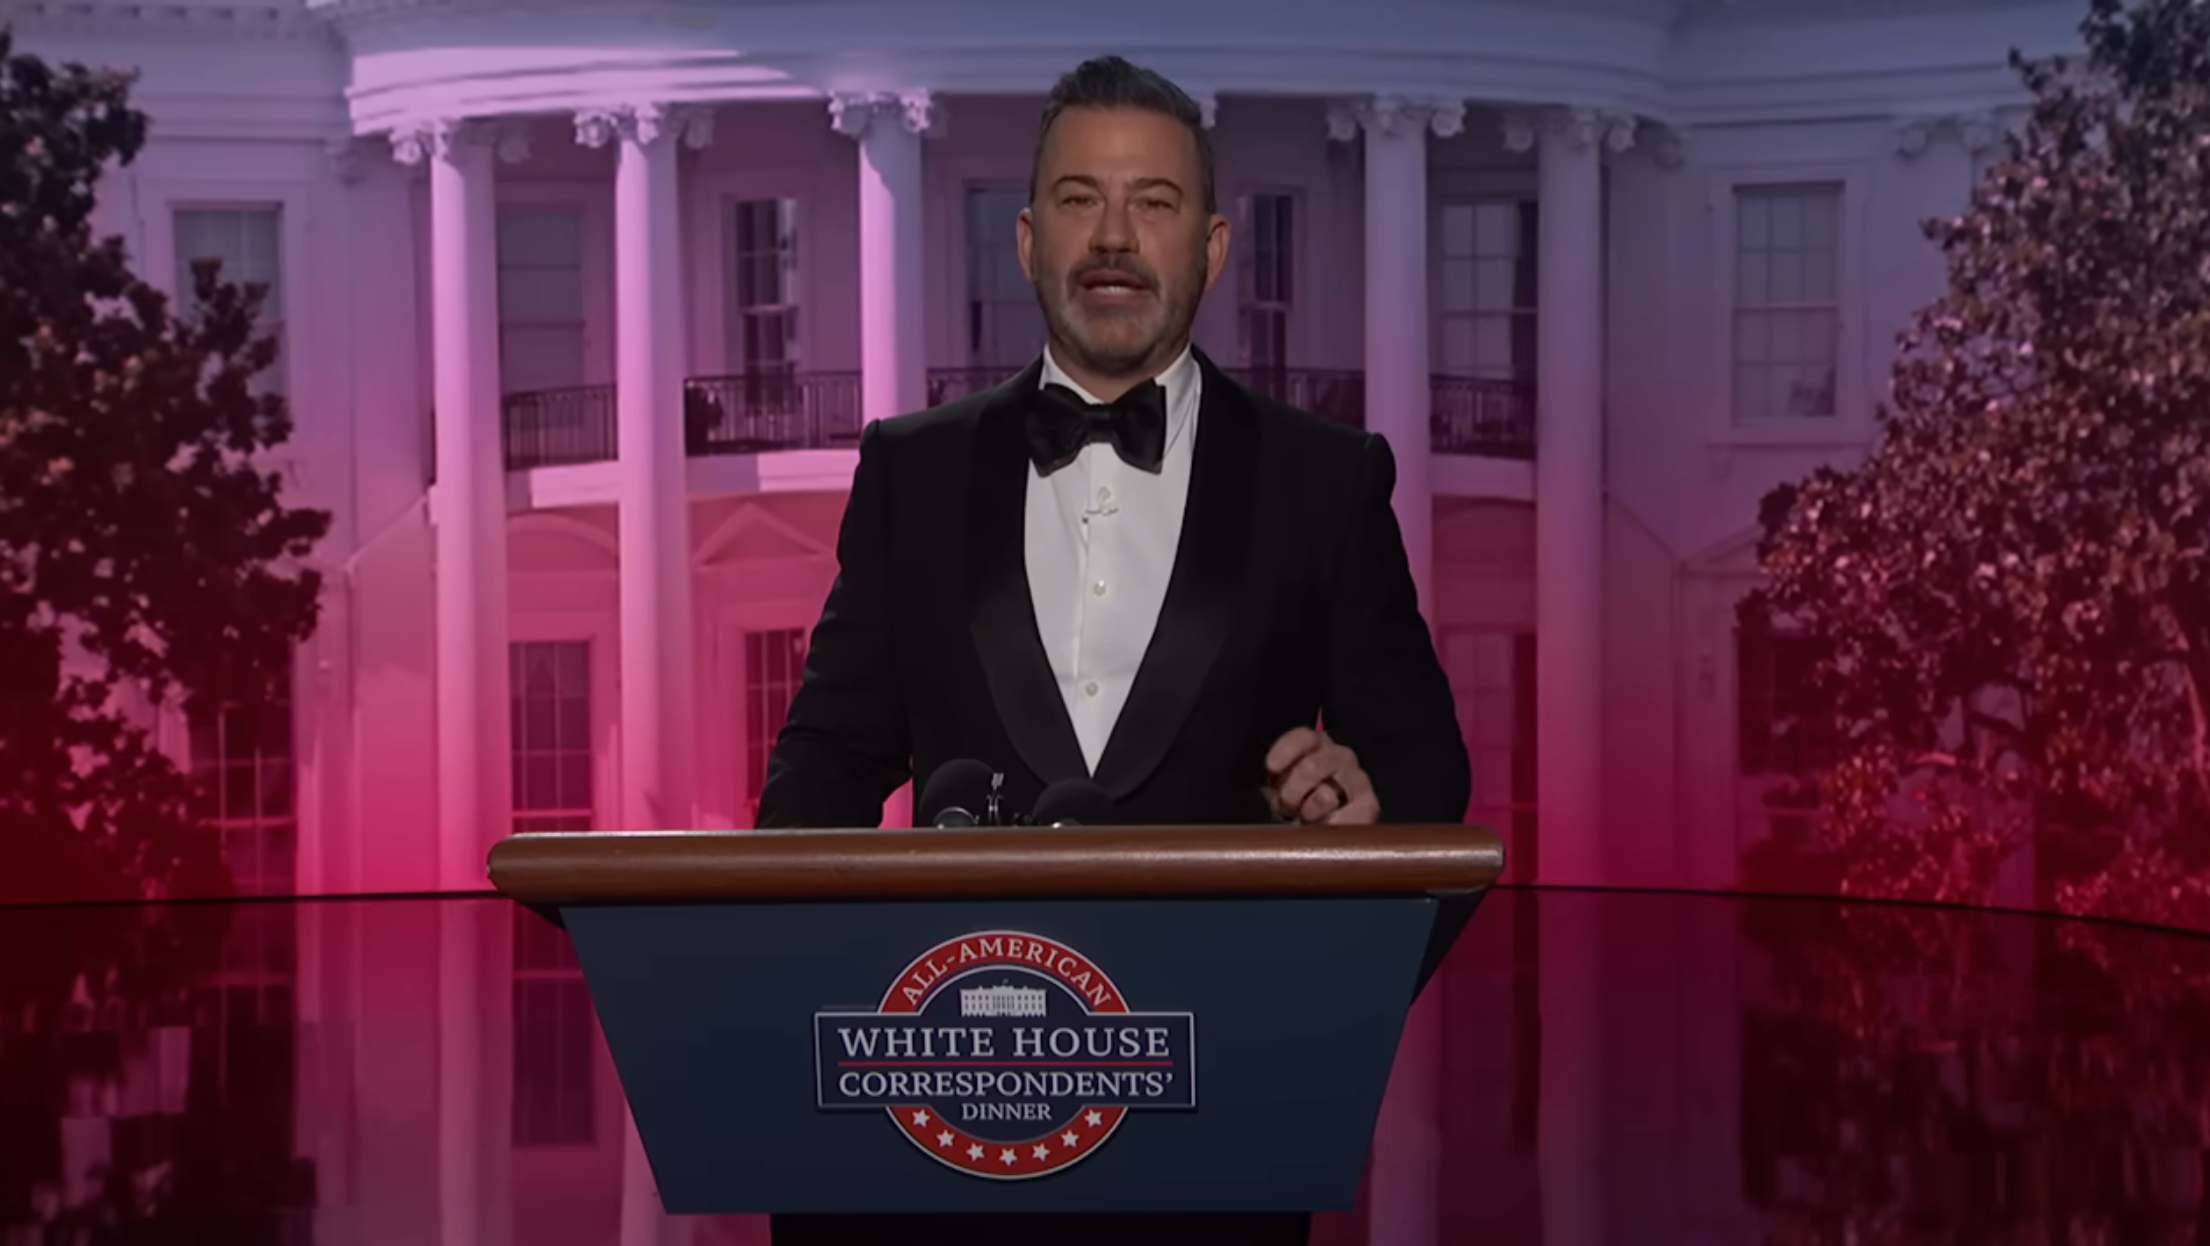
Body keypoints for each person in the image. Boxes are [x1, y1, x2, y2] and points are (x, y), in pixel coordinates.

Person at [757, 55, 1468, 833]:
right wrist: (808, 946)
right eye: (1079, 198)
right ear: (1029, 242)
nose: (1114, 237)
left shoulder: (1327, 481)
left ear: (1213, 249)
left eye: (1155, 203)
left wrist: (1363, 806)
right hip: (972, 955)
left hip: (1229, 955)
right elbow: (828, 761)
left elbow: (1420, 767)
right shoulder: (912, 474)